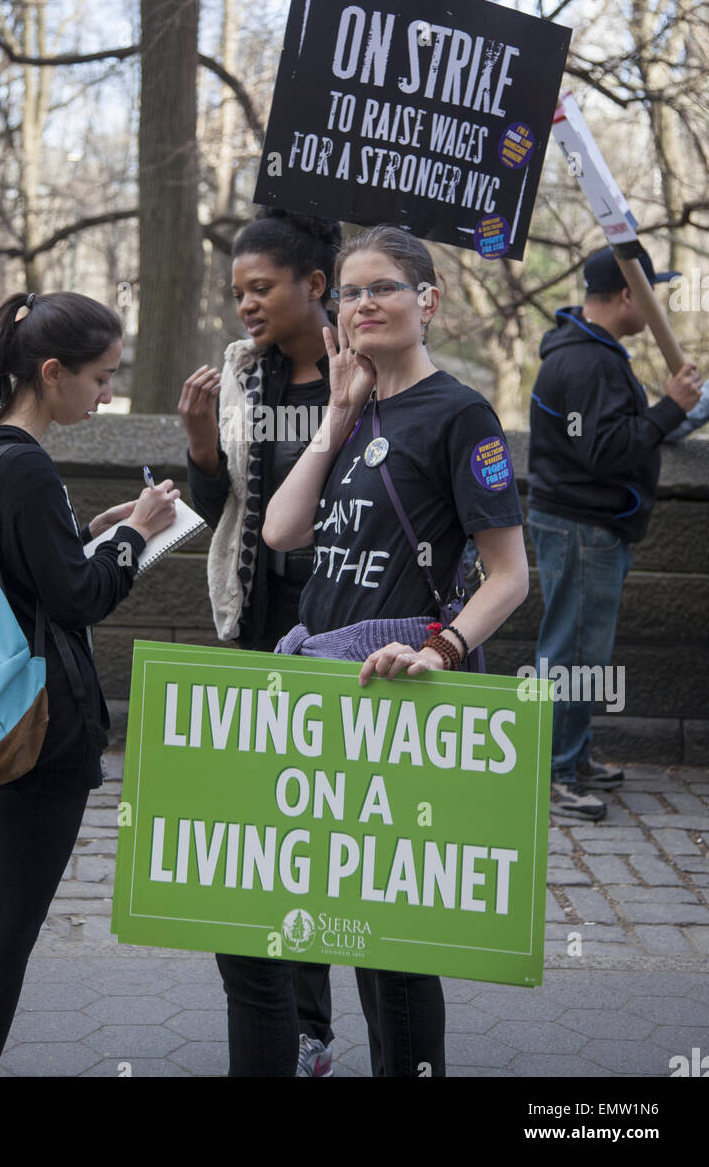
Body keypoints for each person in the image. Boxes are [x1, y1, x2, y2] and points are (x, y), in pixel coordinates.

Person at [259, 223, 528, 1078]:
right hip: (331, 692)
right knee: (328, 899)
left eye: (384, 288)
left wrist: (441, 654)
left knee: (393, 941)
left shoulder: (462, 413)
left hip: (404, 696)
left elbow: (510, 575)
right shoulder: (358, 409)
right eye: (350, 291)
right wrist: (337, 417)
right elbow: (282, 529)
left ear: (429, 302)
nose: (364, 303)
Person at [0, 291, 178, 1078]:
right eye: (100, 378)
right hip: (42, 725)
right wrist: (135, 537)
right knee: (8, 927)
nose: (107, 394)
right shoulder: (24, 463)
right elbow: (78, 599)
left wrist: (93, 532)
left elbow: (20, 572)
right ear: (52, 372)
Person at [178, 207, 340, 1077]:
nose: (245, 305)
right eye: (238, 291)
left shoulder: (372, 374)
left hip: (350, 634)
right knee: (278, 832)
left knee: (337, 832)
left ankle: (339, 1023)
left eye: (262, 288)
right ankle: (295, 1025)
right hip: (262, 631)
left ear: (316, 286)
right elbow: (222, 510)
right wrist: (202, 443)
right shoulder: (246, 376)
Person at [527, 248, 703, 822]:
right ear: (630, 296)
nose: (657, 304)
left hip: (586, 524)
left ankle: (573, 757)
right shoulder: (587, 362)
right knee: (572, 654)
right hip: (581, 525)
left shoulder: (592, 352)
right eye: (653, 291)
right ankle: (552, 773)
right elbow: (604, 451)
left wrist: (672, 413)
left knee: (585, 652)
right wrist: (671, 408)